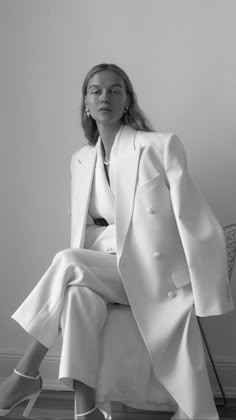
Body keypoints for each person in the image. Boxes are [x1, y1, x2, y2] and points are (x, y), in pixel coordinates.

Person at [0, 63, 234, 420]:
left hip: (153, 275)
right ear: (85, 104)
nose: (104, 97)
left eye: (114, 90)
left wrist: (204, 294)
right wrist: (109, 236)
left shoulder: (159, 146)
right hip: (107, 270)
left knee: (67, 261)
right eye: (95, 91)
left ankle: (24, 373)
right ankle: (86, 410)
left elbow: (195, 219)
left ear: (127, 101)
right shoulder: (81, 159)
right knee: (77, 293)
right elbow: (88, 228)